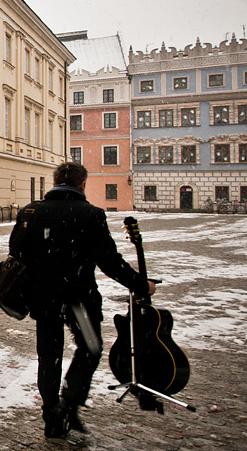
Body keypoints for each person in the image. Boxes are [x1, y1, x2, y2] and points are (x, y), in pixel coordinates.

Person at [10, 162, 156, 437]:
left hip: (44, 300)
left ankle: (51, 415)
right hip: (79, 300)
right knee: (91, 348)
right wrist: (140, 285)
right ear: (82, 185)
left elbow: (16, 252)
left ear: (54, 182)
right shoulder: (90, 215)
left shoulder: (32, 212)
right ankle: (70, 401)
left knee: (49, 357)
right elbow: (109, 262)